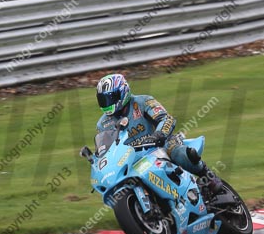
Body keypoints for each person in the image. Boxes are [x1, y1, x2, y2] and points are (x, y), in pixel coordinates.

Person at [95, 73, 223, 193]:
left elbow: (166, 118)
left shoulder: (143, 102)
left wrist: (159, 134)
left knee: (178, 153)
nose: (108, 103)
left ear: (123, 92)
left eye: (111, 98)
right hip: (131, 159)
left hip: (160, 145)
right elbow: (105, 151)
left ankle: (207, 174)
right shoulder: (102, 124)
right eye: (104, 99)